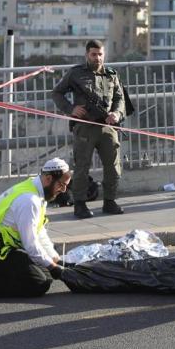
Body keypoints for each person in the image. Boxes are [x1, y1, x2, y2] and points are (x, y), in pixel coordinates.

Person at [0, 158, 72, 301]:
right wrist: (53, 267)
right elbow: (31, 244)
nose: (63, 190)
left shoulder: (36, 190)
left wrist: (54, 259)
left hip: (2, 244)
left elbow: (39, 231)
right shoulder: (29, 200)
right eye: (61, 185)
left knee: (46, 274)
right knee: (38, 283)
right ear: (49, 178)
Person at [51, 39, 129, 219]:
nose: (97, 58)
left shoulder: (111, 75)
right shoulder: (76, 73)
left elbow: (120, 99)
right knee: (82, 167)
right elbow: (56, 93)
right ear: (87, 54)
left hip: (107, 127)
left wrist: (117, 114)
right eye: (93, 54)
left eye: (100, 54)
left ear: (104, 54)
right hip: (85, 127)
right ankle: (79, 204)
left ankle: (109, 201)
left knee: (113, 166)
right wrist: (71, 109)